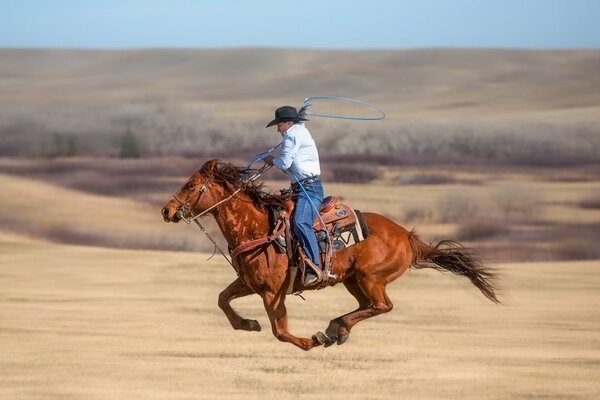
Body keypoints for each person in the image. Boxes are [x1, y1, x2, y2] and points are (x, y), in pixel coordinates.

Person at [264, 106, 324, 286]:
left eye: (279, 124)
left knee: (300, 222)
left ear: (289, 123)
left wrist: (271, 161)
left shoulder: (292, 135)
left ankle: (314, 267)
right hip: (301, 187)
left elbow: (285, 162)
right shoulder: (299, 131)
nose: (278, 129)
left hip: (309, 189)